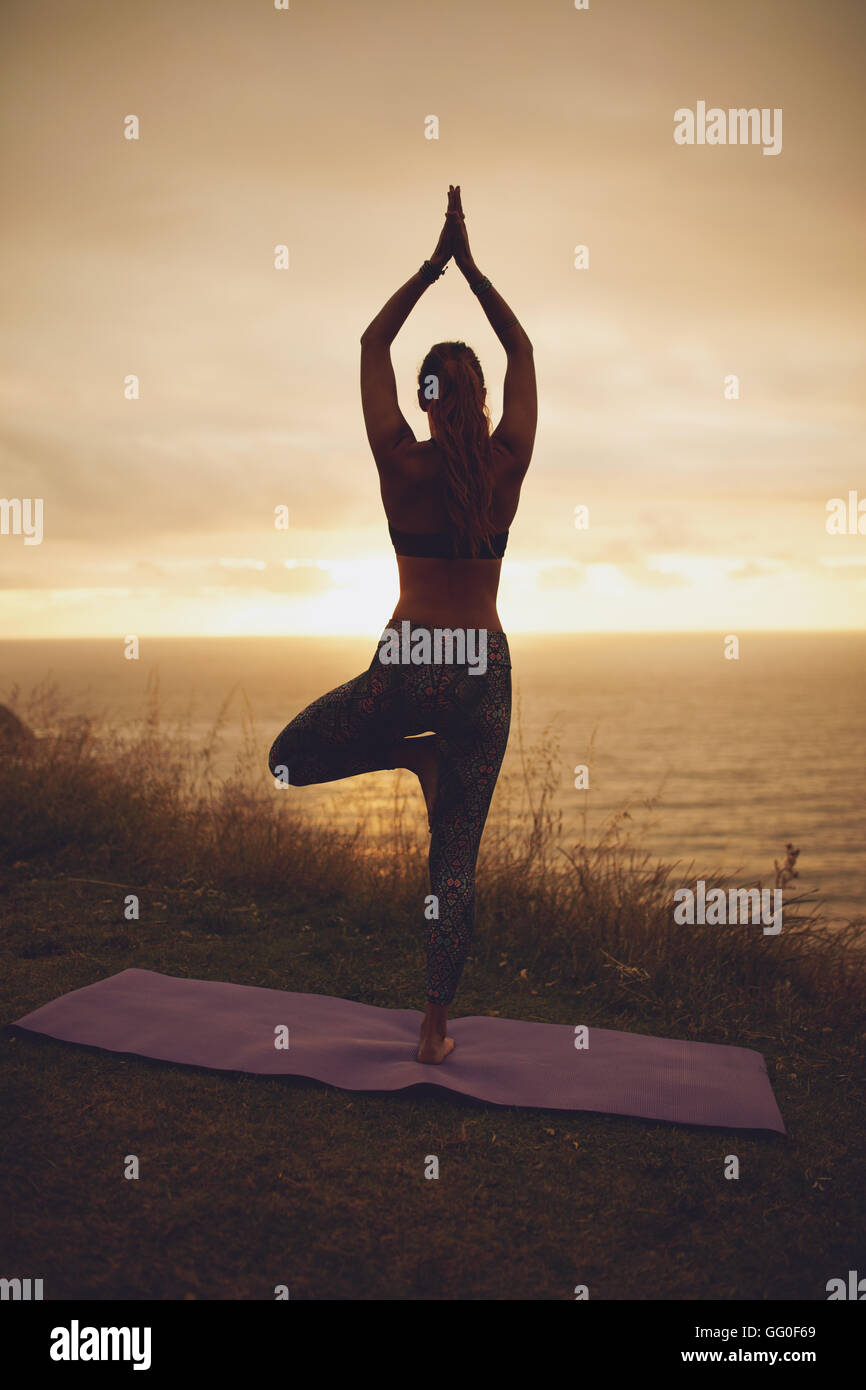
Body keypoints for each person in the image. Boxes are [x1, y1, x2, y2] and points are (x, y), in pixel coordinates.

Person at [268, 186, 537, 1062]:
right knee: (452, 860)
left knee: (286, 760)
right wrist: (477, 272)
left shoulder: (398, 461)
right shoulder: (507, 464)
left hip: (412, 659)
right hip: (483, 667)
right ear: (484, 398)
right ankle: (433, 1028)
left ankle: (407, 751)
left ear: (425, 400)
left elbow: (371, 343)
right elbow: (524, 347)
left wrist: (433, 268)